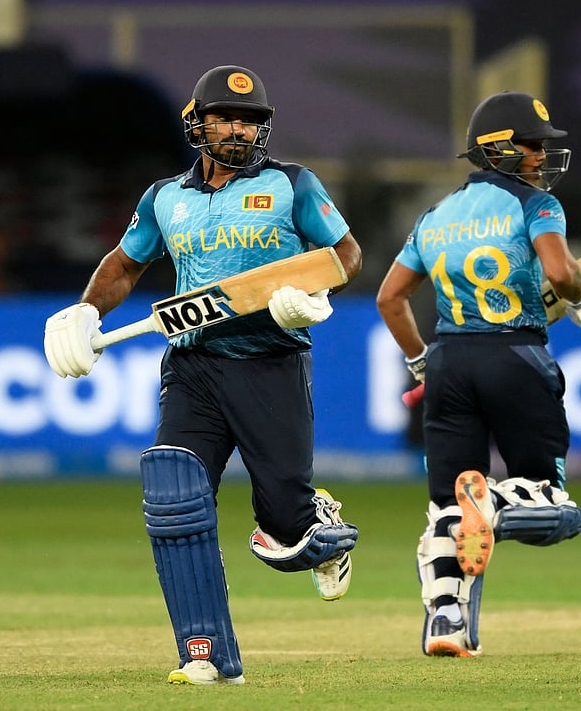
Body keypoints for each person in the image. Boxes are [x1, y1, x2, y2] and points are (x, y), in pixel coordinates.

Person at [44, 65, 362, 685]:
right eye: (227, 118)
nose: (240, 130)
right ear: (198, 123)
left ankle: (315, 523)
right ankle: (206, 655)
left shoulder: (293, 184)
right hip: (192, 366)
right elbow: (124, 263)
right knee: (174, 493)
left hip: (271, 361)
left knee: (284, 535)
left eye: (251, 121)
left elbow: (346, 255)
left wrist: (307, 290)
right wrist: (86, 310)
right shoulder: (165, 196)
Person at [375, 90, 581, 657]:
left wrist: (421, 361)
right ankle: (498, 506)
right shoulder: (535, 205)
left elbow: (390, 298)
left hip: (450, 362)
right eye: (533, 147)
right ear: (500, 149)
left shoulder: (434, 216)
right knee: (554, 504)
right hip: (516, 354)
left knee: (445, 511)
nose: (542, 158)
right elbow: (559, 269)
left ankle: (445, 623)